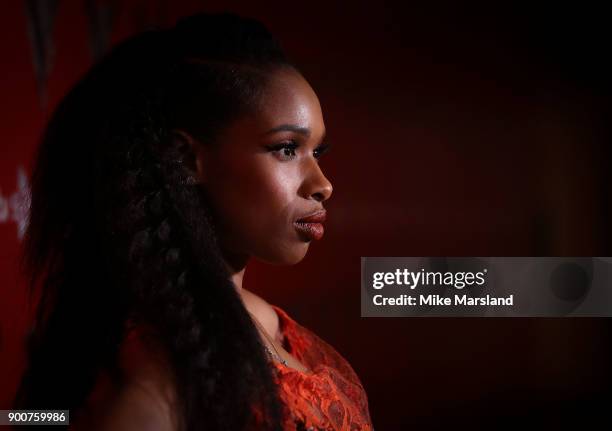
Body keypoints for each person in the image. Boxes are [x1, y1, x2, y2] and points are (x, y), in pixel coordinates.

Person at [13, 11, 374, 431]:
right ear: (186, 159)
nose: (322, 185)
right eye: (286, 148)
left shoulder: (265, 324)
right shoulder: (154, 366)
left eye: (317, 152)